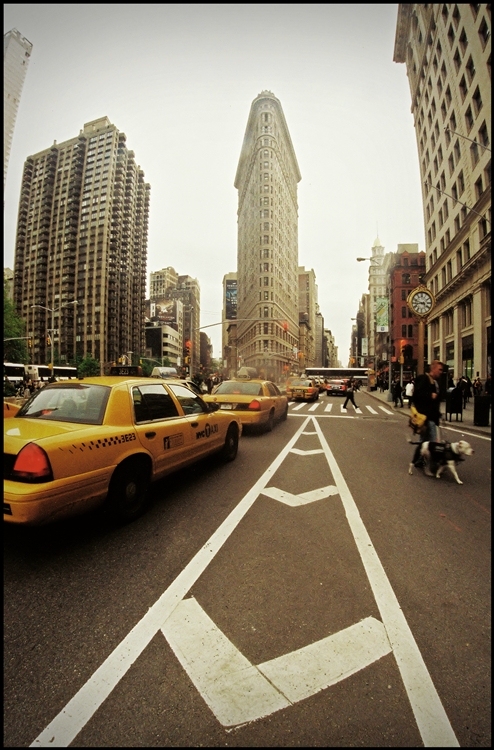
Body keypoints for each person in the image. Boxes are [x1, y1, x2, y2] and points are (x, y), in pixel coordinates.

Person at [411, 360, 444, 470]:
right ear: (433, 369)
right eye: (439, 369)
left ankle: (418, 460)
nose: (441, 372)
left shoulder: (435, 382)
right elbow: (417, 395)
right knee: (432, 442)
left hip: (431, 417)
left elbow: (435, 400)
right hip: (426, 417)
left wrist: (438, 415)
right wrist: (430, 395)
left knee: (424, 441)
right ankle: (432, 465)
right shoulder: (424, 379)